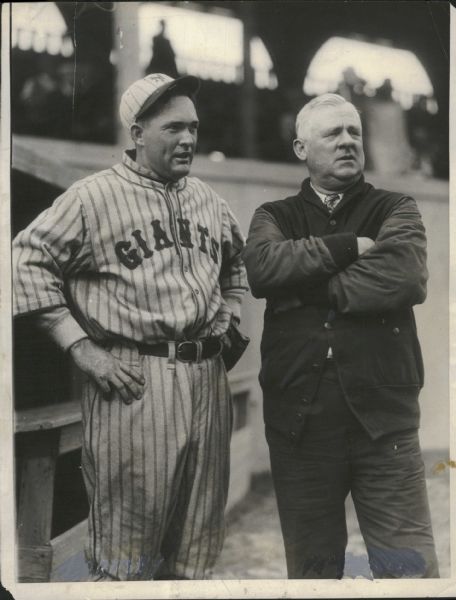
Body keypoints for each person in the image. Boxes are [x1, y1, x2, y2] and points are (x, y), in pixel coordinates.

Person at [13, 73, 248, 581]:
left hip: (208, 377)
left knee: (196, 548)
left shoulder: (208, 198)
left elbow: (236, 263)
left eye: (193, 127)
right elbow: (23, 261)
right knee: (127, 553)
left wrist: (231, 302)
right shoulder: (92, 197)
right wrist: (78, 346)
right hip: (134, 380)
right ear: (137, 134)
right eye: (173, 129)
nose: (188, 139)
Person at [242, 93, 439, 579]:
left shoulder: (397, 207)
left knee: (409, 572)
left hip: (384, 425)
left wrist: (305, 288)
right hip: (300, 424)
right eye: (333, 134)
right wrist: (350, 246)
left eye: (354, 132)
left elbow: (404, 276)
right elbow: (264, 268)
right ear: (300, 149)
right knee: (313, 575)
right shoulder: (274, 215)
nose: (348, 141)